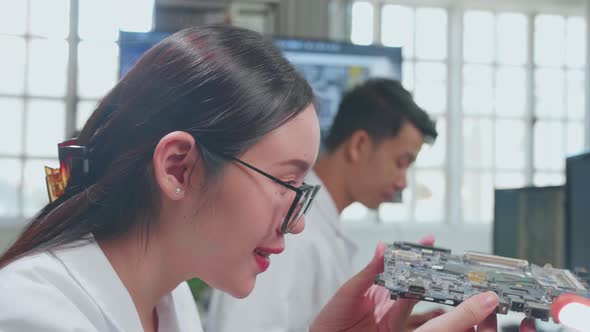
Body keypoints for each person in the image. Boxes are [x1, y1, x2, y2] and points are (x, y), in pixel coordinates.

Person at [0, 25, 532, 332]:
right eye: (285, 183)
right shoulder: (32, 315)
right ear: (178, 167)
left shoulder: (170, 303)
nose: (296, 226)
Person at [208, 78, 440, 332]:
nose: (403, 182)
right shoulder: (288, 231)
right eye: (400, 162)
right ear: (359, 145)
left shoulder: (322, 226)